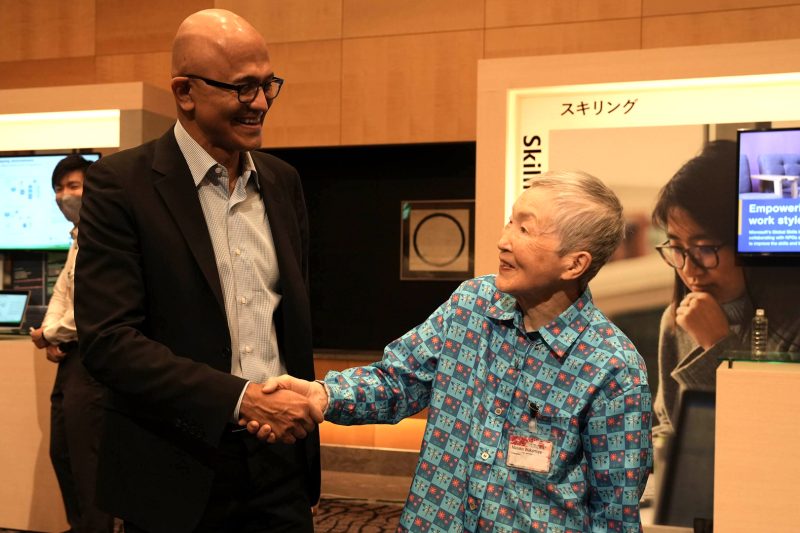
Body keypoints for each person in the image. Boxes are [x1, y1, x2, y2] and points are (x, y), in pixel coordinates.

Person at [259, 171, 653, 532]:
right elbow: (398, 381)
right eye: (510, 221)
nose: (504, 240)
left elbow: (614, 514)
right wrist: (325, 394)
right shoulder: (472, 304)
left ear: (575, 263)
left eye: (526, 229)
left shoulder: (614, 369)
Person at [74, 9, 322, 533]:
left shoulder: (282, 182)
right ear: (185, 92)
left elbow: (290, 318)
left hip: (280, 467)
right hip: (176, 467)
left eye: (267, 85)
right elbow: (110, 341)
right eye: (242, 88)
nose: (259, 103)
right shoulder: (122, 185)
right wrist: (238, 398)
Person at [651, 140, 800, 437]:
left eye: (705, 248)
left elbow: (772, 435)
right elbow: (669, 426)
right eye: (676, 248)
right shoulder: (677, 319)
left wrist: (720, 347)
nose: (689, 269)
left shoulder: (792, 325)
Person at [30, 154, 114, 533]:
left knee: (88, 462)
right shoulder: (76, 238)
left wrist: (49, 334)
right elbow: (62, 294)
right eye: (58, 189)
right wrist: (48, 333)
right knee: (61, 452)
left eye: (73, 186)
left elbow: (89, 308)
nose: (64, 196)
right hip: (71, 361)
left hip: (96, 362)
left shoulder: (107, 236)